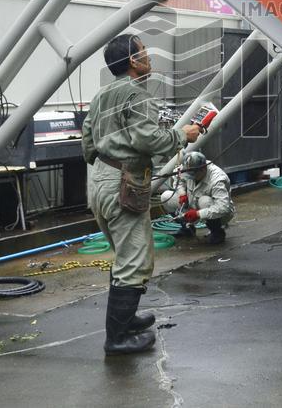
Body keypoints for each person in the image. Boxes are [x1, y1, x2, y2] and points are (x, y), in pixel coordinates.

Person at [82, 33, 200, 356]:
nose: (149, 57)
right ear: (134, 62)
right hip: (123, 181)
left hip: (99, 180)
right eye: (145, 53)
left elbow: (87, 140)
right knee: (134, 259)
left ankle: (127, 319)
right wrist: (182, 135)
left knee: (123, 255)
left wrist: (106, 166)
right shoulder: (138, 95)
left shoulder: (101, 95)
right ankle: (117, 338)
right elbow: (149, 140)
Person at [173, 150, 235, 245]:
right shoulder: (188, 168)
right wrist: (182, 193)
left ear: (203, 169)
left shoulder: (217, 179)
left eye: (193, 175)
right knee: (166, 197)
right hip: (193, 201)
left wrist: (198, 214)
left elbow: (223, 207)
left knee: (205, 201)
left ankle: (217, 232)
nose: (191, 178)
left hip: (219, 212)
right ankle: (187, 228)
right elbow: (178, 178)